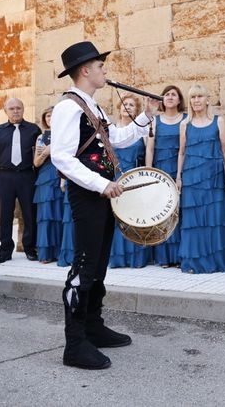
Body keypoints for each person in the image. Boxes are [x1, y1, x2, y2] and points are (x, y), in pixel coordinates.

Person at [51, 41, 158, 370]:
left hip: (104, 195)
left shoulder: (93, 106)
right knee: (84, 266)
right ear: (85, 71)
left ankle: (93, 327)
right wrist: (101, 184)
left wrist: (145, 117)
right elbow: (61, 157)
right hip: (88, 196)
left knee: (97, 265)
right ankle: (75, 343)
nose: (105, 71)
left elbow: (119, 140)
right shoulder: (69, 107)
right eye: (100, 66)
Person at [176, 84, 225, 274]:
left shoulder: (218, 121)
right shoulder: (184, 124)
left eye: (200, 96)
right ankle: (195, 263)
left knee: (215, 216)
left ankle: (218, 261)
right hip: (193, 177)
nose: (196, 101)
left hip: (214, 175)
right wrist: (178, 176)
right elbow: (182, 152)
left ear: (207, 99)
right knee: (194, 220)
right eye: (193, 97)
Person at [0, 97, 41, 263]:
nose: (15, 111)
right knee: (5, 215)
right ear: (5, 111)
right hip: (4, 176)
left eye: (18, 108)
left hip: (27, 176)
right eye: (12, 109)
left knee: (30, 214)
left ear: (23, 110)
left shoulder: (33, 130)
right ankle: (5, 251)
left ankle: (30, 248)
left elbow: (39, 154)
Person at [108, 95, 152, 268]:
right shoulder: (111, 129)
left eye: (132, 105)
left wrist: (148, 175)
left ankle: (136, 257)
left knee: (134, 215)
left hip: (135, 177)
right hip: (115, 178)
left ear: (137, 109)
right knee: (117, 216)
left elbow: (149, 152)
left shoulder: (141, 129)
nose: (127, 107)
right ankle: (117, 257)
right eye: (124, 104)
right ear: (119, 108)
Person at [145, 85, 186, 266]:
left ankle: (179, 256)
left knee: (180, 211)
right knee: (163, 212)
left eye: (173, 95)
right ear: (162, 99)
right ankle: (164, 257)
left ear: (179, 100)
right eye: (166, 94)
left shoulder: (186, 119)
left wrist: (180, 175)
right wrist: (148, 173)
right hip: (160, 169)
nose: (169, 97)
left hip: (181, 169)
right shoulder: (155, 121)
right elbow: (150, 148)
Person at [33, 106, 64, 263]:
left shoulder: (66, 133)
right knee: (46, 215)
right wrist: (47, 151)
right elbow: (36, 163)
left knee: (60, 214)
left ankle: (60, 252)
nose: (50, 119)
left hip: (62, 175)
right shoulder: (41, 137)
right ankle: (46, 253)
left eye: (53, 116)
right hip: (46, 176)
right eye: (47, 116)